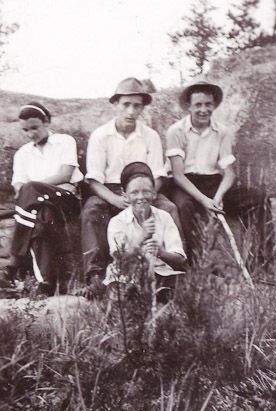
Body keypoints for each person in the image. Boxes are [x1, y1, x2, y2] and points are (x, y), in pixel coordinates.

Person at [81, 77, 183, 286]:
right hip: (109, 190)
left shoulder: (150, 135)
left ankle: (179, 266)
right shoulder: (101, 135)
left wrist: (146, 196)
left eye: (137, 106)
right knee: (91, 211)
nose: (131, 111)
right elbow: (93, 179)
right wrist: (116, 200)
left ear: (142, 108)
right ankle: (94, 277)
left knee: (169, 207)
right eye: (126, 105)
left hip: (144, 189)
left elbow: (158, 175)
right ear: (116, 105)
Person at [166, 77, 272, 265]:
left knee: (259, 199)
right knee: (184, 207)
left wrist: (219, 196)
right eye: (198, 105)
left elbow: (229, 173)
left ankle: (263, 261)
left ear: (214, 105)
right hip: (184, 184)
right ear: (189, 107)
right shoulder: (176, 131)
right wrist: (204, 200)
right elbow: (178, 175)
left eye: (208, 104)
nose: (203, 110)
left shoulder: (223, 131)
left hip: (214, 183)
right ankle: (196, 265)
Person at [6, 102, 83, 296]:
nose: (31, 134)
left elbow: (66, 174)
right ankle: (46, 282)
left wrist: (34, 187)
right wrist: (31, 191)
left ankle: (14, 260)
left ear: (46, 122)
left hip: (66, 198)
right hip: (41, 205)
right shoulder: (22, 154)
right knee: (41, 217)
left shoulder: (64, 141)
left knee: (31, 189)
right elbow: (18, 187)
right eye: (25, 130)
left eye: (35, 128)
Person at [104, 162, 186, 291]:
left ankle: (159, 292)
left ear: (154, 193)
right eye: (134, 192)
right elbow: (120, 258)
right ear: (125, 195)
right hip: (126, 276)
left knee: (186, 284)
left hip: (160, 273)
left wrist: (161, 253)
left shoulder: (164, 217)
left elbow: (180, 259)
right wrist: (142, 237)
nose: (141, 197)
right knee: (123, 289)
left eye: (146, 192)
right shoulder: (117, 222)